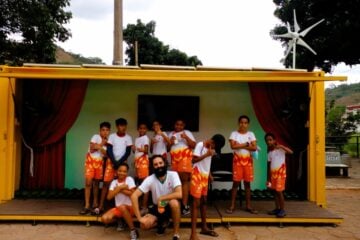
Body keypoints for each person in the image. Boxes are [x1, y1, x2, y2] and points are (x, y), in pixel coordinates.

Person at [130, 155, 182, 240]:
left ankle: (176, 233)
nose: (159, 166)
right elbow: (134, 196)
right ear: (153, 167)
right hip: (157, 207)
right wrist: (139, 218)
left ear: (165, 163)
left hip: (169, 205)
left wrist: (162, 198)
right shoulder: (150, 179)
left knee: (174, 203)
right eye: (156, 164)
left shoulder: (173, 175)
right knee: (143, 225)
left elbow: (179, 194)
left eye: (160, 163)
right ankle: (162, 223)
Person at [190, 134, 225, 240]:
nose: (214, 149)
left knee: (204, 202)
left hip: (205, 177)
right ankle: (193, 234)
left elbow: (206, 164)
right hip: (196, 176)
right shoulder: (200, 145)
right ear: (212, 142)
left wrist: (209, 175)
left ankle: (204, 227)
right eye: (215, 146)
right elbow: (193, 160)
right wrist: (207, 154)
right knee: (195, 204)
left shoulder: (211, 149)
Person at [226, 115, 258, 214]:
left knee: (247, 184)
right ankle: (232, 205)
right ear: (238, 123)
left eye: (245, 123)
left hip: (248, 162)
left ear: (248, 124)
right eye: (241, 122)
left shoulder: (251, 134)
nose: (243, 124)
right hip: (237, 162)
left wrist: (240, 145)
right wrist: (246, 144)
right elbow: (232, 146)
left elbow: (254, 148)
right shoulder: (234, 134)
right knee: (235, 183)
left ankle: (248, 206)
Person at [101, 163, 139, 240]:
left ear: (127, 172)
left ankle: (133, 230)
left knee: (122, 207)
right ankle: (122, 220)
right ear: (116, 171)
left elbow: (133, 194)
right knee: (104, 219)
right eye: (120, 171)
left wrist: (118, 190)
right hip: (119, 208)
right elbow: (109, 197)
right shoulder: (114, 182)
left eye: (124, 171)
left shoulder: (129, 179)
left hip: (131, 208)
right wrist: (120, 188)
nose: (122, 173)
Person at [80, 121, 110, 215]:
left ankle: (95, 204)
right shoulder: (95, 137)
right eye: (103, 130)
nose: (105, 132)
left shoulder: (109, 142)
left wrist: (99, 146)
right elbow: (92, 149)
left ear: (109, 131)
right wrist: (101, 145)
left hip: (99, 163)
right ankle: (87, 205)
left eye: (107, 130)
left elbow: (106, 154)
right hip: (90, 161)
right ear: (99, 130)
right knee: (88, 183)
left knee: (96, 184)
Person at [103, 118, 133, 214]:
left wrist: (119, 163)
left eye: (124, 125)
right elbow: (109, 150)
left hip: (122, 164)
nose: (122, 127)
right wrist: (114, 161)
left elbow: (127, 152)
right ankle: (104, 205)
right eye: (120, 125)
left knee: (120, 184)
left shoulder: (128, 138)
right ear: (117, 126)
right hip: (111, 163)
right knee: (107, 184)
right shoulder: (112, 136)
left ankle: (118, 206)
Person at [168, 119, 196, 216]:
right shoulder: (171, 134)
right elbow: (167, 148)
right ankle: (177, 204)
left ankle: (184, 205)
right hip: (174, 160)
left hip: (185, 159)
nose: (179, 126)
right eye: (177, 124)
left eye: (181, 125)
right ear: (174, 125)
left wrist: (186, 137)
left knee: (184, 180)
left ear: (183, 125)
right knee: (175, 182)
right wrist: (170, 142)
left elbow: (193, 145)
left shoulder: (187, 132)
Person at [265, 132, 293, 218]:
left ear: (274, 140)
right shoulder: (269, 153)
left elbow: (291, 152)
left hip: (281, 175)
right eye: (267, 141)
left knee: (279, 192)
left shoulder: (280, 150)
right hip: (273, 176)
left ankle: (282, 210)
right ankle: (277, 208)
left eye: (270, 140)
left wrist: (281, 146)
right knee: (275, 192)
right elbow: (269, 166)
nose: (269, 142)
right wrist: (268, 178)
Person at [133, 123, 150, 215]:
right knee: (139, 184)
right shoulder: (137, 139)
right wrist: (133, 149)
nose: (142, 130)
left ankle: (145, 207)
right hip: (137, 162)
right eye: (140, 128)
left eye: (144, 128)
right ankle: (141, 205)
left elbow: (146, 150)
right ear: (138, 129)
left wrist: (138, 149)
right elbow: (135, 151)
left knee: (145, 185)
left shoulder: (145, 138)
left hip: (143, 161)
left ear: (146, 130)